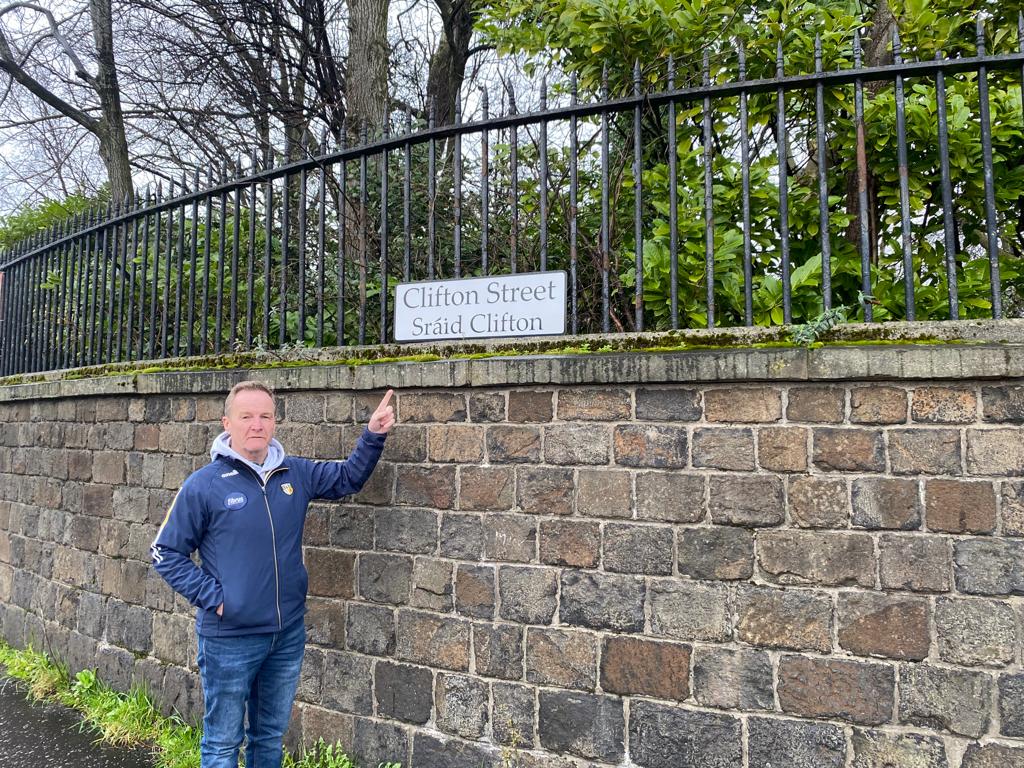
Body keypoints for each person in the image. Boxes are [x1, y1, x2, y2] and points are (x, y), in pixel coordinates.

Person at [150, 380, 395, 768]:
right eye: (246, 416)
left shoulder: (294, 473)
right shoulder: (204, 485)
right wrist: (216, 599)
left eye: (264, 416)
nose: (256, 424)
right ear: (226, 423)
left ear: (275, 422)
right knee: (221, 743)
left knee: (268, 739)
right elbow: (165, 552)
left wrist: (373, 435)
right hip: (230, 637)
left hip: (285, 635)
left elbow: (348, 478)